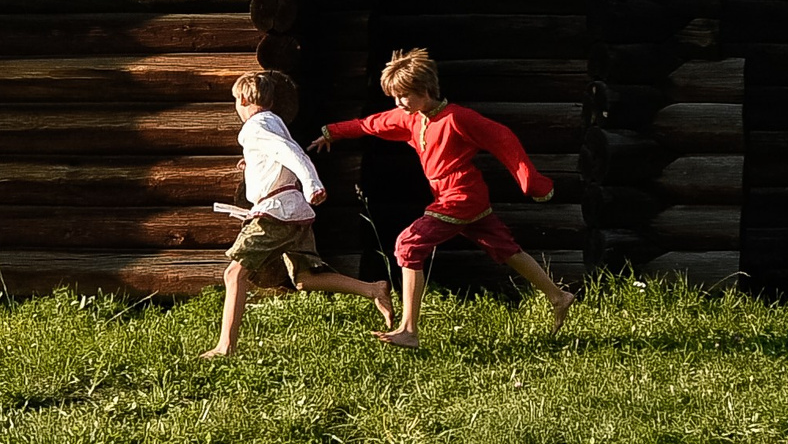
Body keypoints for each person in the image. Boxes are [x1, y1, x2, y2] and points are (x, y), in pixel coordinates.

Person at [310, 47, 574, 349]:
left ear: (424, 89)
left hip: (461, 195)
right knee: (505, 248)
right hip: (453, 195)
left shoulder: (457, 118)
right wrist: (333, 132)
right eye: (395, 97)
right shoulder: (411, 118)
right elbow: (373, 123)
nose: (398, 103)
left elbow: (501, 137)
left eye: (403, 96)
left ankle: (409, 329)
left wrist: (530, 181)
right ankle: (558, 296)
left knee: (409, 244)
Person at [200, 68, 395, 358]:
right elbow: (277, 157)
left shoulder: (254, 127)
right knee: (305, 279)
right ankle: (373, 289)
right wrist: (252, 164)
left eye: (235, 102)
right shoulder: (274, 122)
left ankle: (225, 346)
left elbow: (292, 154)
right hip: (295, 214)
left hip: (276, 215)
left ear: (243, 99)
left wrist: (312, 184)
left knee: (234, 273)